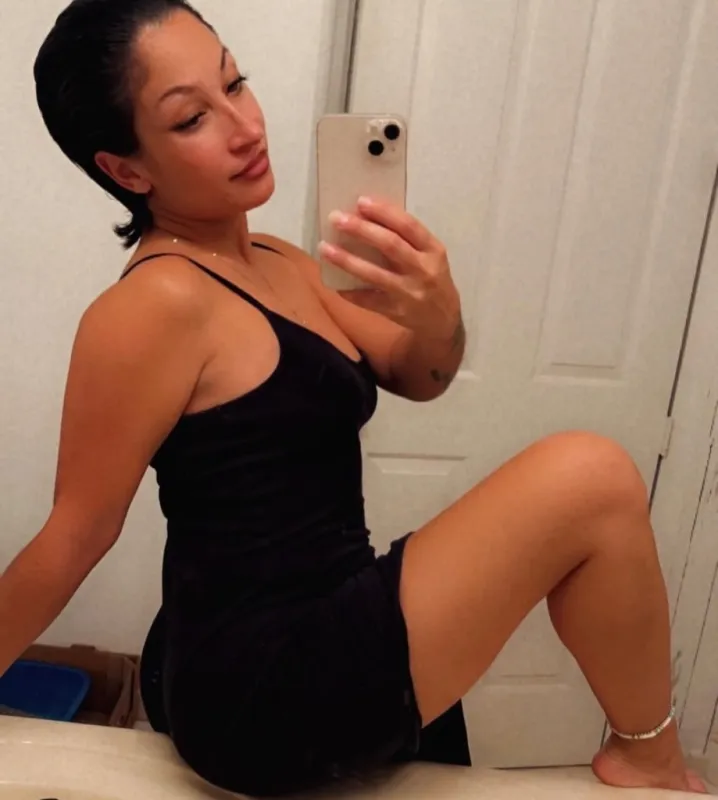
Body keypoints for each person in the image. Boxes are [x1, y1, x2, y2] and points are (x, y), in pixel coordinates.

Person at [0, 0, 706, 795]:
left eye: (236, 83)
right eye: (193, 117)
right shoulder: (153, 305)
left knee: (586, 488)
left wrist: (439, 314)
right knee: (593, 475)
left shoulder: (281, 261)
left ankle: (643, 752)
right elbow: (74, 535)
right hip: (259, 678)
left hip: (317, 611)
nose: (245, 126)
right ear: (128, 171)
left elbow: (420, 376)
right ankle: (649, 758)